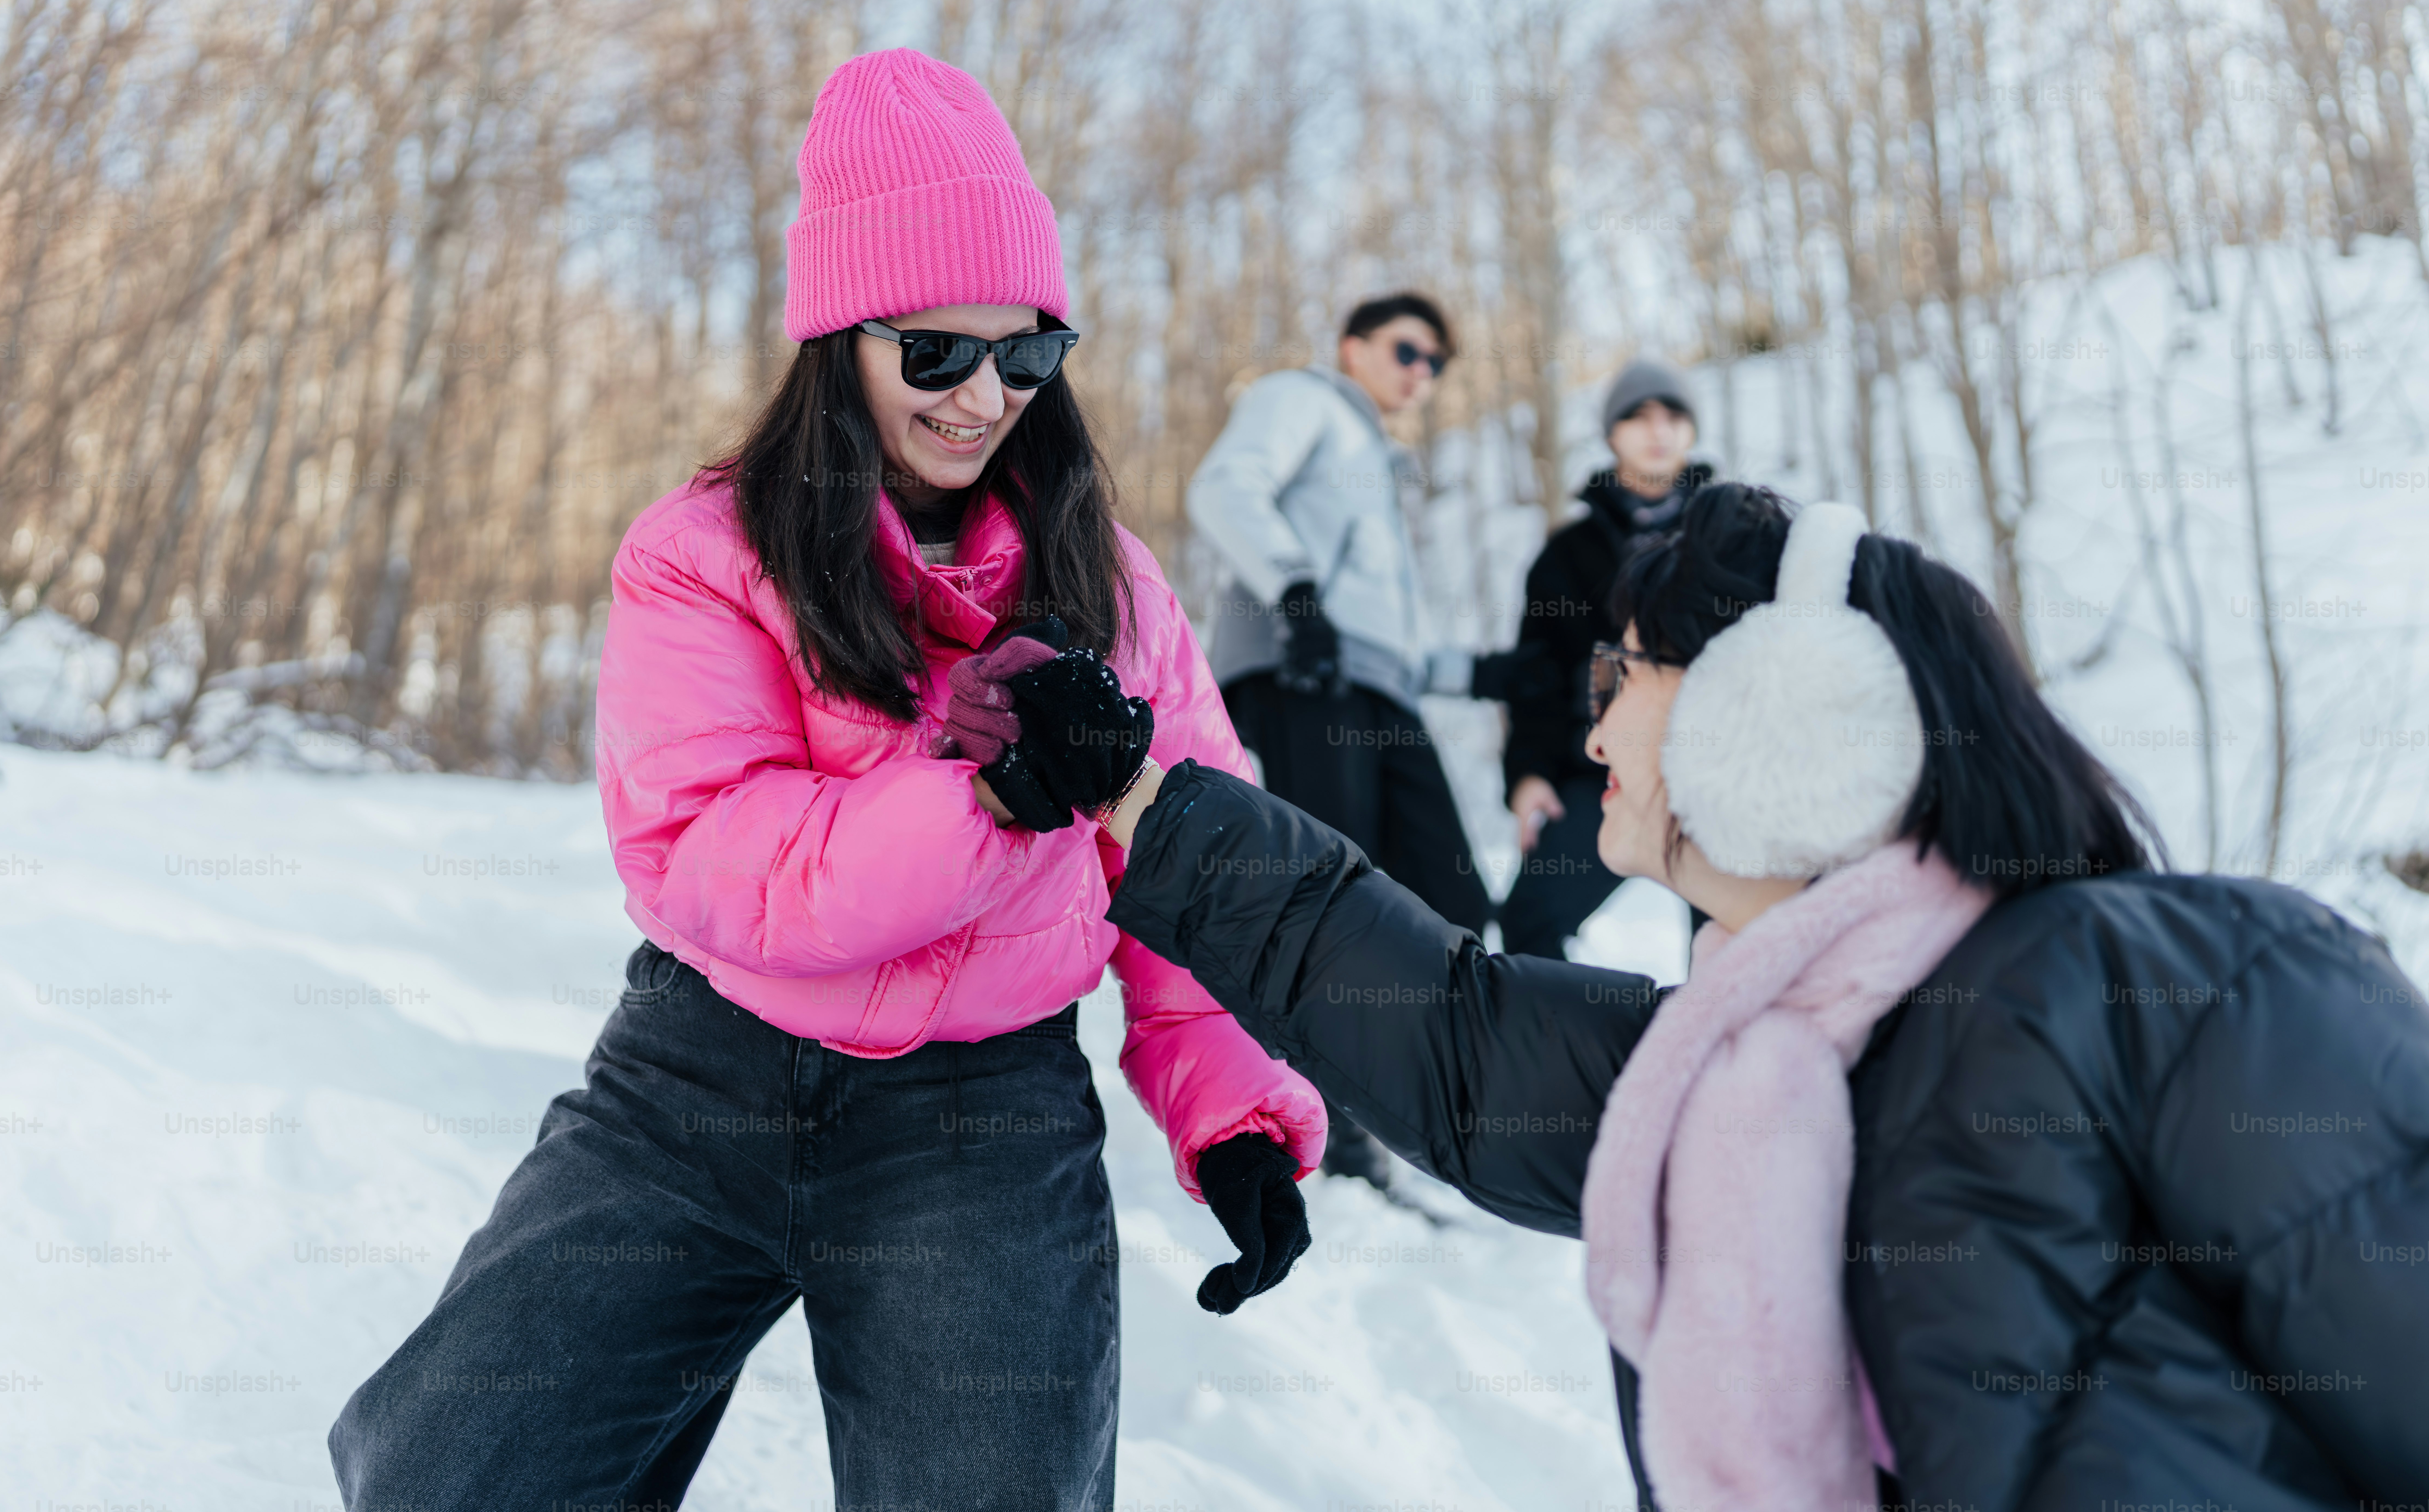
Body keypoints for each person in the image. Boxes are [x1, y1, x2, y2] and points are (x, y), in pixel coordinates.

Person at [986, 481, 2429, 1510]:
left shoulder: (2191, 980)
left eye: (1630, 669)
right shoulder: (1730, 1077)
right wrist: (1139, 792)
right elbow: (1451, 1032)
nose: (1597, 715)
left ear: (1785, 707)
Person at [327, 48, 1324, 1512]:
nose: (989, 395)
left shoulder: (1108, 584)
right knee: (454, 1472)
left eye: (1028, 352)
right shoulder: (705, 555)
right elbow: (712, 858)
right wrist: (980, 798)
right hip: (702, 1084)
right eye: (939, 351)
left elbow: (1195, 860)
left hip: (979, 1122)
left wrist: (1234, 1111)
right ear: (842, 338)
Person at [1185, 292, 1496, 1188]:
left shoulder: (1382, 462)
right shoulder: (1301, 399)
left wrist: (1478, 672)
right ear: (1353, 346)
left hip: (1375, 685)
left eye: (1436, 363)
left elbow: (1384, 629)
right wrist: (1295, 595)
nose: (1420, 373)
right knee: (1337, 902)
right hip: (1304, 674)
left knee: (1449, 892)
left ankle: (1412, 1103)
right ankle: (1334, 1122)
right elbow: (1223, 487)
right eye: (1407, 350)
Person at [1496, 358, 1712, 960]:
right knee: (1529, 925)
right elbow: (1535, 677)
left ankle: (1719, 1050)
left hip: (1718, 772)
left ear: (1692, 430)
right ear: (1612, 434)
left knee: (1733, 938)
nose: (1658, 429)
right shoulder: (1566, 556)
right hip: (1606, 774)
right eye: (1638, 416)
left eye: (1673, 414)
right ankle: (1573, 1055)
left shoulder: (1731, 536)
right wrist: (1528, 773)